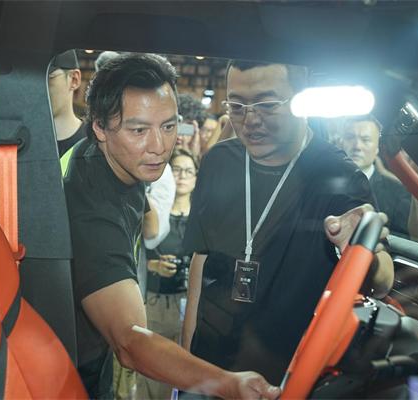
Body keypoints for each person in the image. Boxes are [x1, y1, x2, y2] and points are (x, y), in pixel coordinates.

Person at [64, 53, 280, 400]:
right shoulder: (91, 205)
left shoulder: (118, 159)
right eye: (139, 130)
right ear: (100, 127)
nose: (159, 147)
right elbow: (129, 340)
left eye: (168, 126)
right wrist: (228, 384)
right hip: (67, 373)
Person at [182, 60, 394, 387]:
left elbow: (383, 281)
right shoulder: (219, 161)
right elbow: (201, 259)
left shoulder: (338, 176)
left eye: (267, 105)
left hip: (288, 375)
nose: (250, 120)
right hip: (211, 369)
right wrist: (186, 363)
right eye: (237, 106)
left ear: (301, 100)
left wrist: (361, 248)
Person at [136, 148, 199, 399]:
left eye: (188, 171)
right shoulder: (154, 214)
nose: (182, 176)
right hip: (156, 301)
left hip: (190, 304)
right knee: (153, 375)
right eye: (176, 170)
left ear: (196, 177)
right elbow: (136, 254)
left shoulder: (201, 217)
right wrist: (153, 266)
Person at [339, 115, 412, 238]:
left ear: (378, 147)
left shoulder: (398, 194)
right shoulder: (320, 184)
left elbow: (401, 242)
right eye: (350, 137)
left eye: (366, 140)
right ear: (340, 143)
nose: (357, 146)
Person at [48, 49, 87, 158]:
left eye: (49, 78)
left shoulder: (94, 145)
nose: (38, 87)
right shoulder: (19, 141)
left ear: (74, 79)